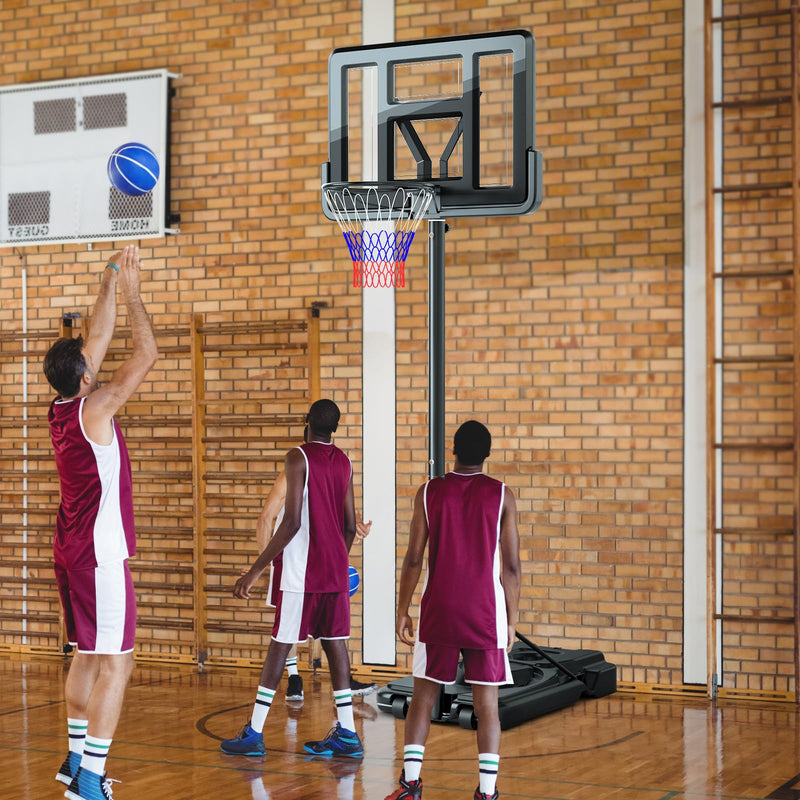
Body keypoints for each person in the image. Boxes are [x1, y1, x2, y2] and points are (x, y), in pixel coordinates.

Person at [43, 245, 158, 800]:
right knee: (119, 662)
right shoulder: (99, 406)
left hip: (70, 549)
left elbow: (99, 335)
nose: (97, 359)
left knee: (87, 652)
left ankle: (72, 757)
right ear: (86, 377)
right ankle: (90, 779)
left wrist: (110, 274)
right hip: (98, 555)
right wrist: (134, 296)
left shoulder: (64, 405)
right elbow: (147, 352)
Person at [221, 399, 364, 758]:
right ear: (335, 428)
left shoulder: (298, 457)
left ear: (307, 422)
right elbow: (350, 525)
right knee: (335, 645)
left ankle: (254, 732)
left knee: (281, 644)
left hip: (303, 571)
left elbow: (292, 521)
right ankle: (347, 733)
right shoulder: (345, 462)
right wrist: (337, 557)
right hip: (332, 570)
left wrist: (256, 569)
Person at [385, 421, 521, 800]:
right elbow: (511, 568)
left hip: (439, 609)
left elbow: (414, 558)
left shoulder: (429, 491)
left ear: (454, 450)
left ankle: (411, 784)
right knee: (487, 706)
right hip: (484, 612)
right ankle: (488, 793)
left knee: (423, 697)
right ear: (487, 454)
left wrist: (402, 609)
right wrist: (511, 621)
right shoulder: (502, 496)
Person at [255, 436, 375, 703]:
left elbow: (335, 518)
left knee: (328, 630)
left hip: (320, 562)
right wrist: (265, 565)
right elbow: (266, 517)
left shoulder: (335, 468)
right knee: (288, 629)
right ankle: (294, 677)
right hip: (290, 560)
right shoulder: (291, 473)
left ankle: (337, 684)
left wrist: (356, 529)